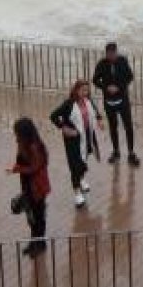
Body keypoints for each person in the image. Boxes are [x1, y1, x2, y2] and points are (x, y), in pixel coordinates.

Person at [48, 80, 103, 208]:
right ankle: (77, 193)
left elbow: (95, 111)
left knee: (84, 159)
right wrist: (64, 127)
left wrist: (99, 120)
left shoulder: (88, 101)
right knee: (75, 165)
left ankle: (81, 179)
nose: (85, 93)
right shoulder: (68, 104)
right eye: (82, 90)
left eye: (87, 90)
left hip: (87, 137)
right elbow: (53, 116)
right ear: (76, 90)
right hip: (73, 140)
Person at [8, 118, 50, 257]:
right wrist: (17, 168)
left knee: (38, 216)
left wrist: (18, 169)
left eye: (17, 132)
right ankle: (35, 243)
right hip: (28, 186)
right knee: (32, 217)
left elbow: (35, 167)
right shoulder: (23, 144)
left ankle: (40, 244)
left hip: (37, 187)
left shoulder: (34, 146)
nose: (15, 135)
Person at [93, 42, 138, 166]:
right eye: (109, 54)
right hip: (109, 101)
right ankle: (116, 152)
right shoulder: (101, 64)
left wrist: (118, 87)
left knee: (128, 126)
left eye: (113, 54)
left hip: (123, 100)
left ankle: (131, 153)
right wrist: (106, 87)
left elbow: (129, 77)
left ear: (116, 52)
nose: (111, 56)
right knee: (113, 127)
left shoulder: (122, 61)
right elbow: (95, 80)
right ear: (106, 53)